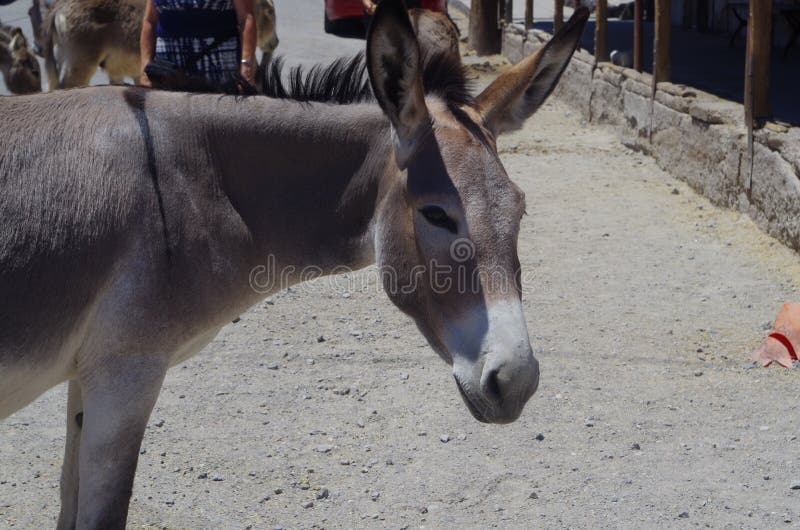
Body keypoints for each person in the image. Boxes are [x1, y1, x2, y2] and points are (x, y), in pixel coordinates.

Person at [140, 0, 257, 88]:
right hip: (168, 73)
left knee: (220, 119)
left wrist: (246, 69)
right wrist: (146, 70)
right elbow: (150, 21)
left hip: (219, 69)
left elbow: (246, 18)